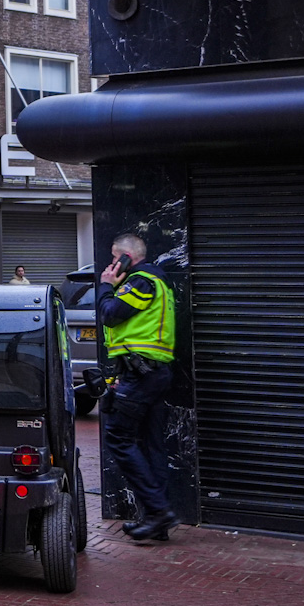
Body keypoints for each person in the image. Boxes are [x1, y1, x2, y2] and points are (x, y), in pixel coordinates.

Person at [97, 232, 178, 542]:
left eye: (114, 256)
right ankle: (158, 520)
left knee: (118, 438)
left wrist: (107, 285)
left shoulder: (140, 282)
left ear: (126, 257)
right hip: (151, 373)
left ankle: (158, 512)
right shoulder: (156, 281)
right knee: (150, 444)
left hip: (142, 375)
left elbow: (110, 315)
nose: (111, 262)